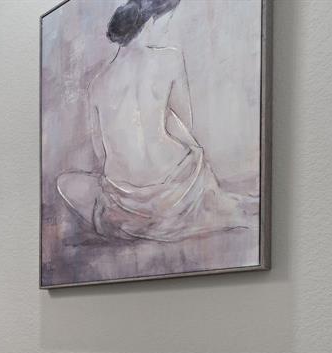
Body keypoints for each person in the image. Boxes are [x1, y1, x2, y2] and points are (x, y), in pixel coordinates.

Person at [56, 0, 259, 242]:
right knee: (224, 196)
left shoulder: (97, 84)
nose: (166, 28)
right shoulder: (169, 59)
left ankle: (145, 216)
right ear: (149, 23)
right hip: (178, 187)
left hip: (124, 199)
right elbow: (187, 124)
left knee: (66, 182)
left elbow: (102, 154)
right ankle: (181, 206)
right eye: (164, 22)